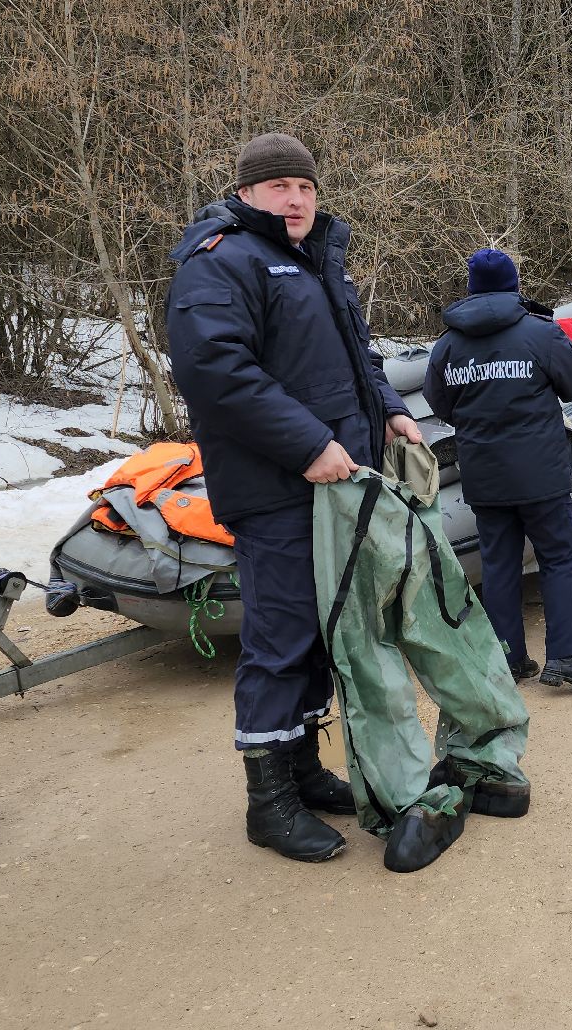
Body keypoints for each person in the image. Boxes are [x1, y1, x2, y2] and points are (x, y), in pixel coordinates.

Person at [164, 132, 425, 863]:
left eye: (305, 187)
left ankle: (305, 770)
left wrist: (391, 407)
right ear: (245, 194)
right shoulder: (222, 262)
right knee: (281, 639)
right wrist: (308, 444)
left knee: (323, 630)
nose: (297, 198)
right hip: (276, 485)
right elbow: (216, 370)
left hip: (334, 484)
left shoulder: (316, 262)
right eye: (279, 187)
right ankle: (268, 802)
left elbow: (353, 355)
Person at [424, 249, 572, 691]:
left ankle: (508, 657)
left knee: (499, 564)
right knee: (559, 559)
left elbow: (437, 401)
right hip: (541, 474)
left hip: (485, 476)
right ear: (513, 285)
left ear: (471, 288)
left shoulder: (449, 344)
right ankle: (564, 658)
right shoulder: (538, 333)